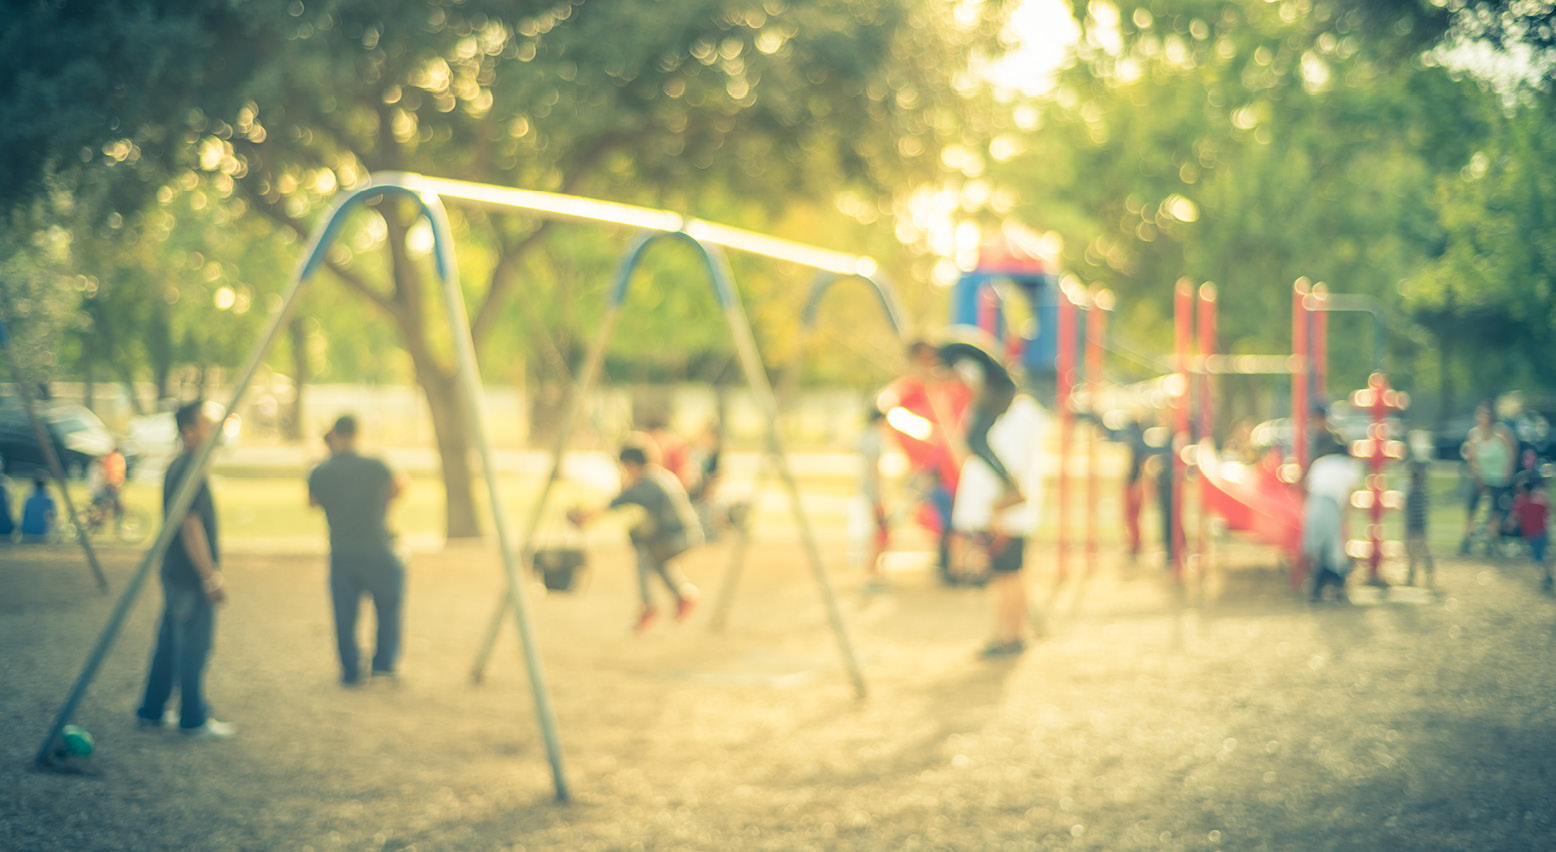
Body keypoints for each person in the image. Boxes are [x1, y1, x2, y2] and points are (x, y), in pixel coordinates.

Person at [135, 401, 235, 738]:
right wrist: (210, 576)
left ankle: (152, 709)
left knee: (168, 642)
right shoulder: (189, 468)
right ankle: (192, 717)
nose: (213, 429)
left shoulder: (181, 465)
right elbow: (190, 525)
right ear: (189, 432)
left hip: (176, 570)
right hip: (189, 574)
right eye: (206, 423)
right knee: (194, 644)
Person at [946, 355, 1045, 658]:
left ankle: (1007, 636)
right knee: (1011, 575)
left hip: (1004, 511)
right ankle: (1010, 633)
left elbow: (1009, 466)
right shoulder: (1012, 411)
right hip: (1004, 509)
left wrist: (997, 512)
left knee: (1007, 577)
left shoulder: (1009, 414)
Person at [308, 414, 408, 686]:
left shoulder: (321, 470)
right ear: (357, 433)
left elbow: (312, 503)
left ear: (334, 435)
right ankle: (383, 663)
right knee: (388, 606)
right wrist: (380, 505)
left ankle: (350, 669)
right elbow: (400, 486)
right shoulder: (375, 464)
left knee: (345, 615)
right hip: (378, 547)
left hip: (342, 551)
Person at [569, 438, 702, 632]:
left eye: (625, 467)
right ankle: (683, 594)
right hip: (686, 533)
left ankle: (650, 604)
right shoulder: (660, 477)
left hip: (678, 537)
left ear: (632, 465)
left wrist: (585, 517)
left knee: (644, 555)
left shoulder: (647, 485)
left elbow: (617, 502)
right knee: (654, 558)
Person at [1303, 437, 1361, 603]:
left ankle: (1317, 589)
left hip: (1313, 504)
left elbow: (1308, 488)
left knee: (1318, 547)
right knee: (1334, 548)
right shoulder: (1350, 466)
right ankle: (1337, 588)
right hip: (1332, 504)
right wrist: (1346, 520)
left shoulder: (1320, 463)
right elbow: (1349, 497)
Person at [1460, 401, 1518, 555]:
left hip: (1499, 476)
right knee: (1472, 507)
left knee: (1495, 510)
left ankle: (1491, 540)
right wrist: (1477, 476)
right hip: (1481, 476)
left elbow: (1512, 451)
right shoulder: (1474, 435)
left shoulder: (1501, 433)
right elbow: (1472, 458)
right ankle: (1467, 539)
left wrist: (1508, 471)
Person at [857, 406, 891, 591]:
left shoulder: (864, 437)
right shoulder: (874, 439)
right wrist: (878, 498)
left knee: (875, 536)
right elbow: (873, 470)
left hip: (865, 493)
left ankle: (872, 575)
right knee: (877, 536)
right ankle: (870, 576)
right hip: (872, 496)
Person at [1511, 476, 1552, 593]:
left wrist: (1509, 526)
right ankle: (1547, 576)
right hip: (1543, 532)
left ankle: (1546, 578)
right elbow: (1548, 512)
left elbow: (1515, 517)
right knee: (1542, 555)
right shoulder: (1539, 502)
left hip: (1533, 534)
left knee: (1538, 557)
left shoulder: (1522, 503)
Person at [1404, 462, 1435, 589]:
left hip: (1416, 527)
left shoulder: (1414, 494)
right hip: (1418, 527)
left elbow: (1407, 511)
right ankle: (1418, 575)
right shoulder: (1422, 494)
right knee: (1417, 552)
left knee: (1416, 552)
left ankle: (1417, 575)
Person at [20, 476, 56, 542]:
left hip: (29, 531)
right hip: (42, 532)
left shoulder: (29, 499)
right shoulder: (48, 500)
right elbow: (53, 517)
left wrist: (22, 530)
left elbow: (24, 517)